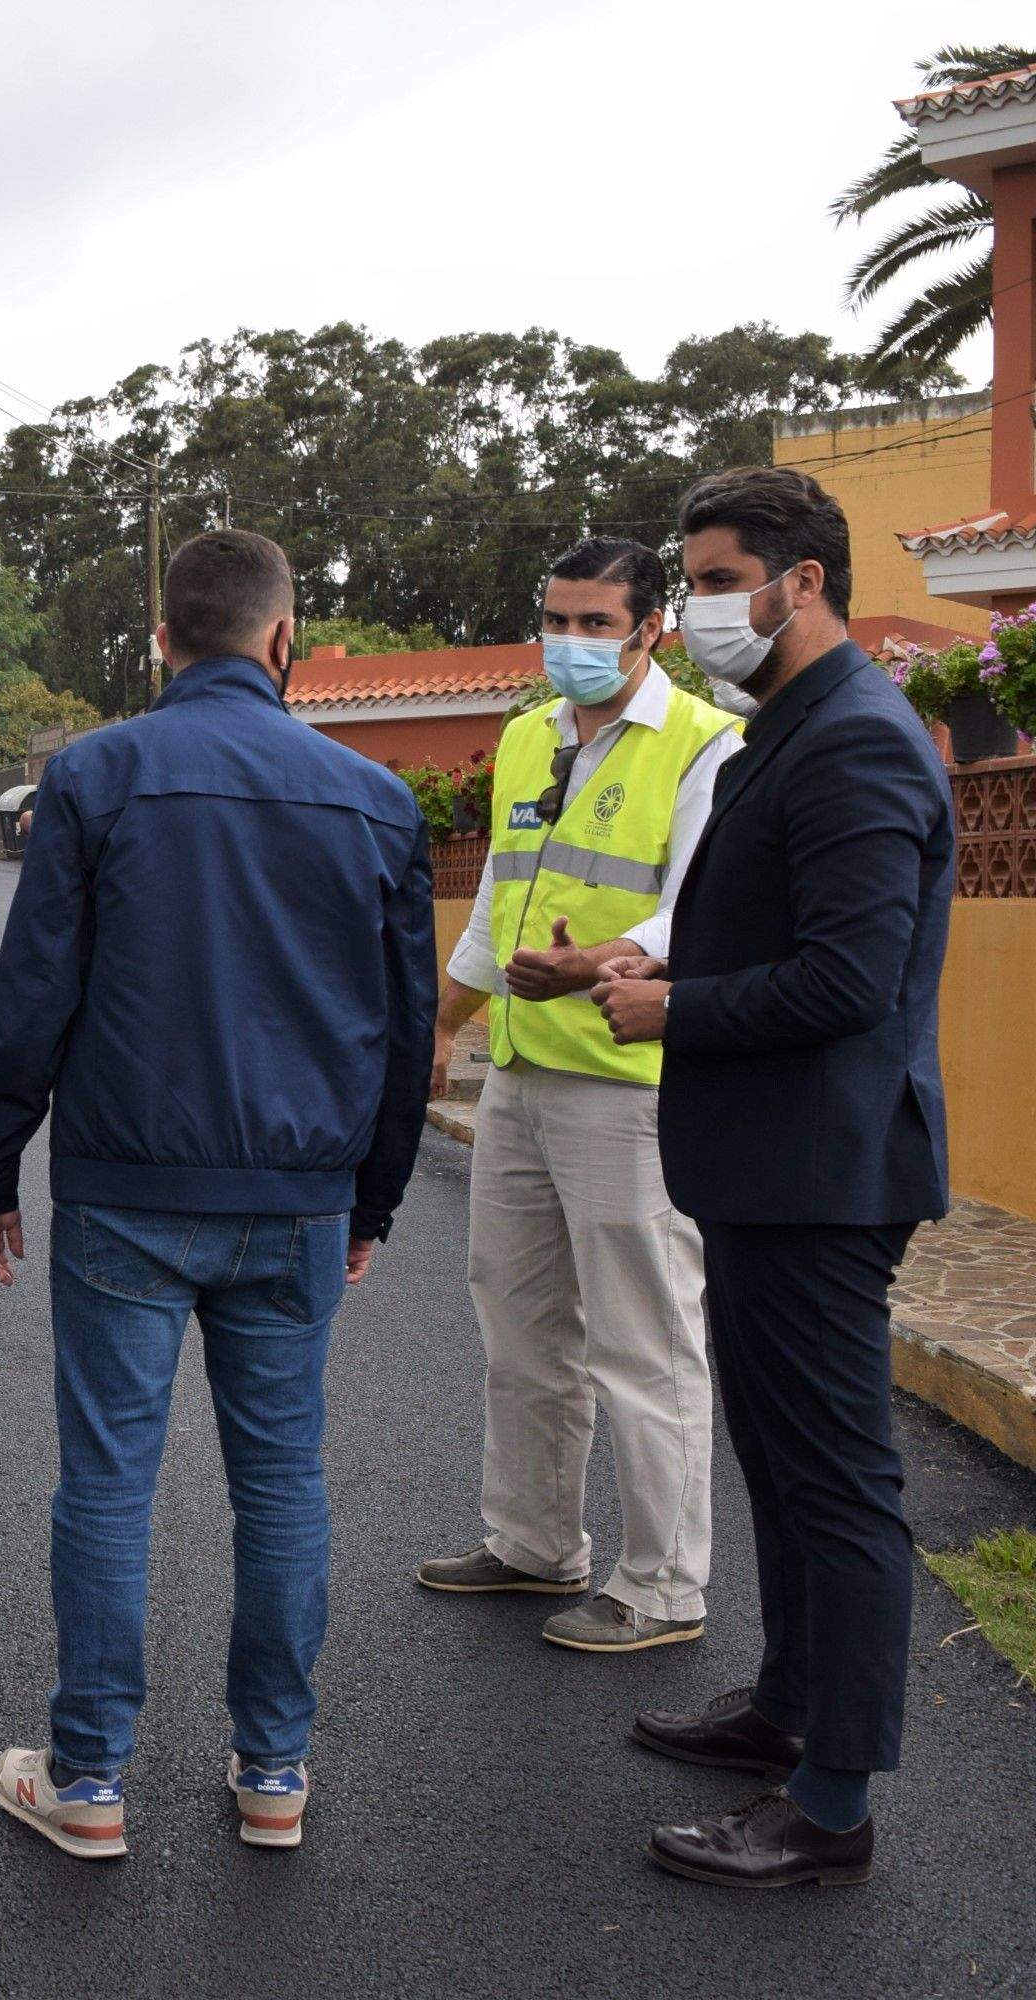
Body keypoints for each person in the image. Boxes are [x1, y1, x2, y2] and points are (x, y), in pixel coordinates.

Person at [0, 529, 434, 1862]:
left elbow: (31, 997)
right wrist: (372, 1202)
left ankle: (90, 1782)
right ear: (287, 644)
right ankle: (274, 1772)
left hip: (124, 1195)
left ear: (161, 642)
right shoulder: (376, 802)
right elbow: (407, 1030)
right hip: (298, 1201)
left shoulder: (95, 777)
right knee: (281, 1481)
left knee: (109, 1479)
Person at [589, 469, 951, 1890]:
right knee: (786, 1470)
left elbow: (852, 982)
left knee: (839, 1486)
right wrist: (669, 960)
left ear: (802, 583)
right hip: (767, 1163)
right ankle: (790, 1713)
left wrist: (674, 1009)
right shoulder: (785, 733)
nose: (695, 609)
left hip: (823, 1171)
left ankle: (836, 1804)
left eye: (719, 578)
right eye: (692, 581)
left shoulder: (855, 741)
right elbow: (788, 938)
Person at [415, 539, 741, 1652]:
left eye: (598, 623)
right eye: (558, 618)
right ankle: (533, 1541)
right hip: (518, 1072)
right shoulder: (524, 737)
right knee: (517, 1321)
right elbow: (494, 901)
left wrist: (591, 958)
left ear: (649, 629)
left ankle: (662, 1584)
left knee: (643, 1339)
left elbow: (695, 918)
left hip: (627, 1084)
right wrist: (446, 1019)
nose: (573, 641)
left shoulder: (705, 746)